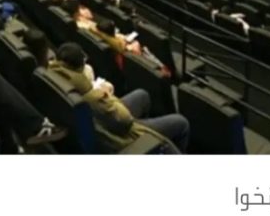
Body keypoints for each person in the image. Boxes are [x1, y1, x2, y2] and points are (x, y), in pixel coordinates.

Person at [50, 43, 189, 153]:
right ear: (79, 67)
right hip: (118, 134)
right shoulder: (90, 95)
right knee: (181, 123)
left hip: (103, 121)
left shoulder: (56, 75)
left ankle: (147, 124)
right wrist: (105, 94)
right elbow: (125, 119)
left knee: (142, 95)